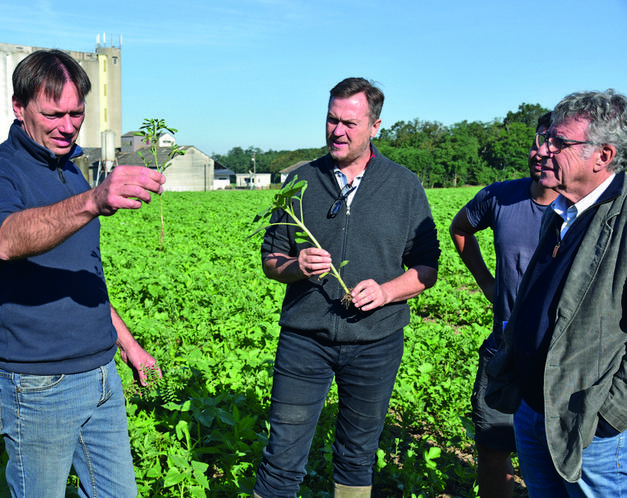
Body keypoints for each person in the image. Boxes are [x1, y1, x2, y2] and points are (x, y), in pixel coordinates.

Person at [0, 49, 165, 498]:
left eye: (77, 113)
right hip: (39, 385)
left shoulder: (71, 175)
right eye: (53, 113)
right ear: (19, 108)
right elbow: (6, 239)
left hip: (101, 375)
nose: (69, 125)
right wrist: (93, 201)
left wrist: (129, 345)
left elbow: (83, 276)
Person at [253, 77, 440, 498]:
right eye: (331, 119)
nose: (337, 130)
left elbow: (427, 267)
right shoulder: (301, 181)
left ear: (375, 126)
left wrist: (387, 292)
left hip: (376, 341)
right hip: (305, 341)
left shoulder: (403, 185)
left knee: (357, 454)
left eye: (350, 123)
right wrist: (296, 265)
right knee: (282, 455)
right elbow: (271, 260)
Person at [486, 89, 627, 497]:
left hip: (588, 425)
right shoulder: (563, 210)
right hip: (536, 409)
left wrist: (608, 415)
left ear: (603, 156)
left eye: (560, 142)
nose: (544, 149)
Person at [449, 112, 557, 497]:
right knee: (494, 449)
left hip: (559, 363)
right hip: (504, 351)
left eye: (553, 144)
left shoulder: (587, 211)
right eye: (536, 142)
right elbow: (459, 229)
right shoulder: (500, 197)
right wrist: (487, 283)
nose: (541, 152)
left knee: (559, 460)